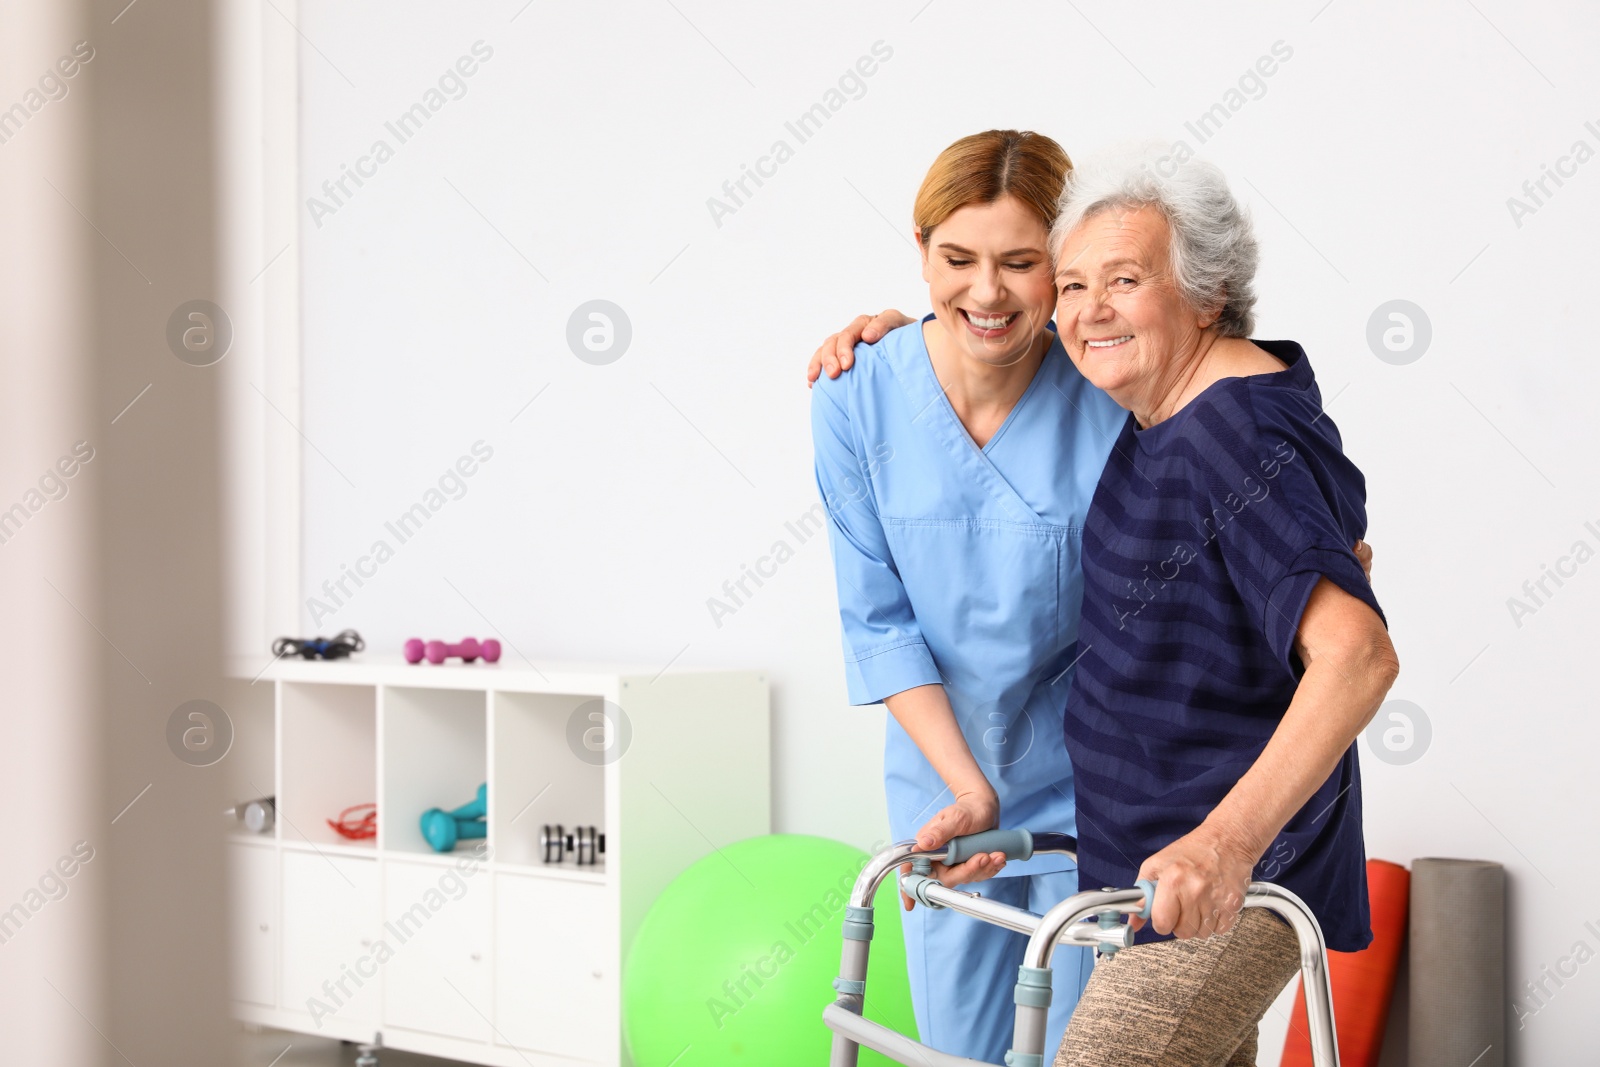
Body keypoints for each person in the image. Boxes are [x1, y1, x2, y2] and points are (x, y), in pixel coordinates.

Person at [1034, 143, 1399, 1065]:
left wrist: (1225, 846)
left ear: (1207, 294)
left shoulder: (1231, 427)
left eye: (1124, 278)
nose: (1088, 310)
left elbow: (1357, 655)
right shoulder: (1169, 412)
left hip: (1220, 879)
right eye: (1071, 285)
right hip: (1156, 880)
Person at [809, 129, 1127, 1062]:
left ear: (1062, 267)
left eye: (1021, 263)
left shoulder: (1109, 389)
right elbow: (879, 620)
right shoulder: (854, 392)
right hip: (946, 781)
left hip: (1096, 786)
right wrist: (965, 785)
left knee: (1087, 1044)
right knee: (963, 1047)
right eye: (957, 259)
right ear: (920, 252)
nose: (985, 292)